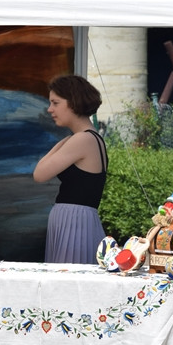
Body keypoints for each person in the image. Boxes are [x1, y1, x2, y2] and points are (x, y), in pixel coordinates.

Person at [33, 74, 107, 264]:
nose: (50, 109)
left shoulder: (82, 139)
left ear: (73, 102)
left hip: (75, 223)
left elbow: (39, 174)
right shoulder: (89, 138)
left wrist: (65, 141)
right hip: (77, 220)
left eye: (55, 103)